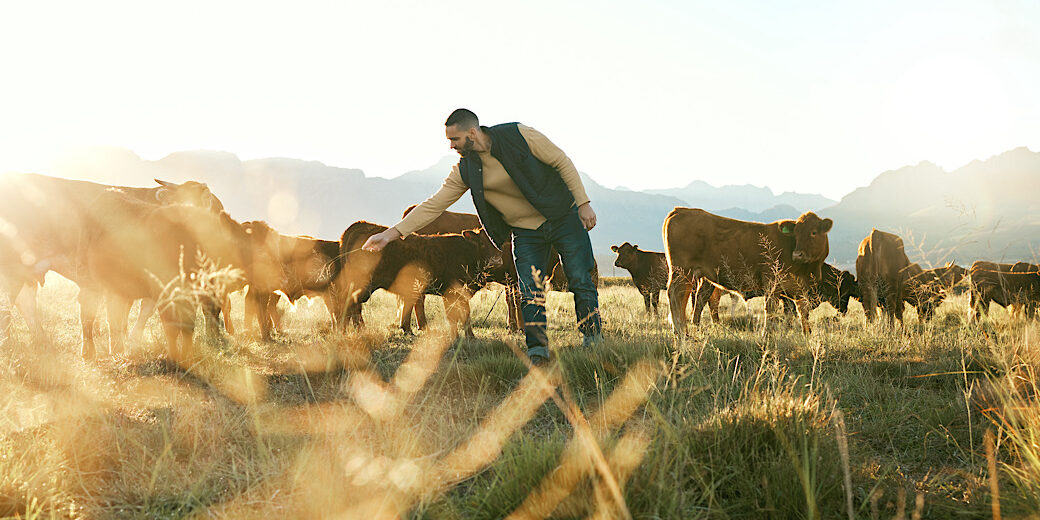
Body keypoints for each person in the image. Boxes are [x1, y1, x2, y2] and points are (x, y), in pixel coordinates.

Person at [362, 108, 602, 365]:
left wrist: (583, 202)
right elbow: (434, 205)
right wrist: (391, 234)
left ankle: (592, 340)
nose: (451, 146)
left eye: (455, 140)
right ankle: (538, 352)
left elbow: (560, 160)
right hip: (525, 232)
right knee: (529, 289)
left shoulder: (519, 134)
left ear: (472, 133)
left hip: (562, 217)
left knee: (580, 278)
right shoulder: (465, 170)